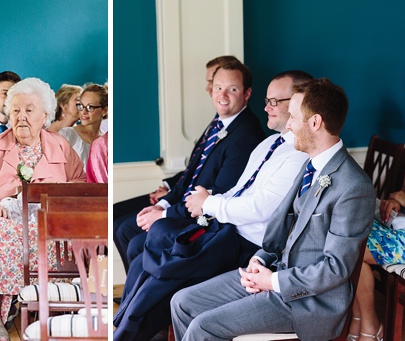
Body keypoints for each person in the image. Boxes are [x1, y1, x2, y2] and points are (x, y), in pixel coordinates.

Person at [171, 78, 376, 341]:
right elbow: (283, 231)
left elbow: (335, 268)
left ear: (314, 123)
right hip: (274, 274)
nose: (288, 125)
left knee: (204, 326)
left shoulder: (353, 186)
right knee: (183, 302)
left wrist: (273, 282)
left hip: (309, 304)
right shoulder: (309, 166)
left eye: (292, 117)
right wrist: (260, 260)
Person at [113, 71, 312, 341]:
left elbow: (261, 209)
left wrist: (210, 204)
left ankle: (131, 332)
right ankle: (131, 328)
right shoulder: (270, 143)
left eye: (275, 101)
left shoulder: (298, 153)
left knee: (166, 274)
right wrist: (208, 202)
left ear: (301, 103)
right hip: (224, 231)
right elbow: (239, 190)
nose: (267, 107)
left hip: (245, 247)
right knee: (148, 259)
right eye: (267, 100)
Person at [0, 77, 85, 341]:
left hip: (47, 219)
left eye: (29, 110)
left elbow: (78, 186)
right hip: (0, 217)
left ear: (45, 114)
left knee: (62, 233)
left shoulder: (62, 146)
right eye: (15, 111)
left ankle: (53, 308)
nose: (21, 117)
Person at [114, 60, 265, 271]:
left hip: (204, 219)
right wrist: (163, 204)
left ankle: (144, 298)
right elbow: (190, 175)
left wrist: (164, 215)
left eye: (232, 89)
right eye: (218, 88)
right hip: (183, 205)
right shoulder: (220, 122)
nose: (222, 96)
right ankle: (137, 295)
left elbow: (220, 194)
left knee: (131, 237)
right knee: (124, 228)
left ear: (246, 94)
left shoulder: (246, 135)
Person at [113, 55, 243, 224]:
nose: (208, 88)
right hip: (179, 193)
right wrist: (169, 189)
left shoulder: (239, 132)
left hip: (196, 207)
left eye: (212, 82)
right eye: (215, 84)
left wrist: (167, 201)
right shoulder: (217, 122)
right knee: (115, 214)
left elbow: (213, 184)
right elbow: (194, 168)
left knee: (125, 228)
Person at [348, 171, 405, 340]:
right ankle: (362, 321)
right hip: (403, 223)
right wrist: (396, 199)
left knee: (354, 251)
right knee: (352, 239)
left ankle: (369, 326)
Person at [58, 83, 108, 166]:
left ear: (104, 110)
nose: (83, 112)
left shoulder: (106, 142)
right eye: (81, 106)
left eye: (90, 107)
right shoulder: (67, 135)